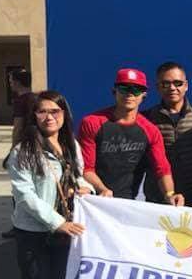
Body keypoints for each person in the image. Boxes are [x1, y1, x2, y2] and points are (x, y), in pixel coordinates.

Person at [7, 91, 89, 279]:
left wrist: (87, 189)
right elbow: (25, 196)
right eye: (42, 111)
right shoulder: (23, 151)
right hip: (35, 233)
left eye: (55, 111)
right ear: (34, 116)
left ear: (64, 115)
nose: (49, 117)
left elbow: (78, 176)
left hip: (64, 231)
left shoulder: (70, 145)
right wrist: (57, 222)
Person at [78, 68, 183, 205]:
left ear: (143, 95)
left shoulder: (151, 131)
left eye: (136, 90)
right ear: (114, 91)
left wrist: (170, 194)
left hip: (127, 203)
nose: (130, 94)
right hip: (94, 199)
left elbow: (162, 169)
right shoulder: (92, 123)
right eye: (124, 88)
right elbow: (86, 169)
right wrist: (102, 189)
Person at [141, 61, 192, 207]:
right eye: (165, 84)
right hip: (158, 197)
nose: (172, 88)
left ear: (186, 85)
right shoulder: (147, 118)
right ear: (158, 87)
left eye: (178, 83)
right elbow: (140, 163)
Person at [8, 68, 35, 146]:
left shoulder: (20, 101)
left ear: (17, 83)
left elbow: (18, 126)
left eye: (11, 82)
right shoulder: (37, 98)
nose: (10, 85)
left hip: (25, 143)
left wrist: (14, 146)